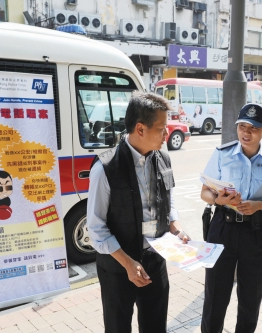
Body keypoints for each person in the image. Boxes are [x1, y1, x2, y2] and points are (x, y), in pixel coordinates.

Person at [87, 91, 190, 333]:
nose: (167, 133)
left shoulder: (163, 158)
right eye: (162, 128)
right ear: (140, 129)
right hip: (118, 267)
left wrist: (177, 229)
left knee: (155, 327)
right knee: (118, 327)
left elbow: (169, 202)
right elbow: (96, 228)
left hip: (155, 261)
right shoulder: (106, 168)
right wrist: (127, 263)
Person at [200, 103, 262, 333]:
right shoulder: (222, 154)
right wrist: (221, 200)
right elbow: (205, 192)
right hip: (223, 228)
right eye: (242, 126)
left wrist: (259, 205)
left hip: (257, 232)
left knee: (251, 298)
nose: (246, 133)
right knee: (215, 296)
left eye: (253, 128)